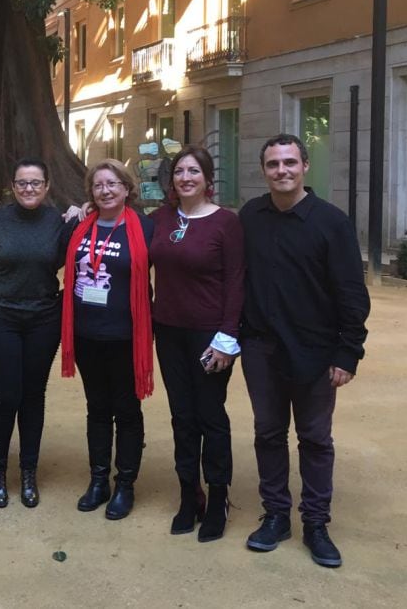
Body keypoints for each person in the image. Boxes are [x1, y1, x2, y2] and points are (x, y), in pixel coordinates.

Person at [239, 134, 370, 568]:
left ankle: (316, 523)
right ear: (264, 170)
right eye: (274, 164)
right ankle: (276, 514)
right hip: (261, 348)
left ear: (305, 166)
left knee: (315, 439)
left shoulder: (331, 223)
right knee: (269, 434)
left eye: (290, 163)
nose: (282, 171)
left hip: (316, 352)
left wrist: (348, 352)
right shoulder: (251, 217)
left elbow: (352, 293)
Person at [149, 145, 244, 542]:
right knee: (181, 416)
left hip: (210, 336)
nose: (185, 178)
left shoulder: (226, 223)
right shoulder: (160, 219)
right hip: (168, 332)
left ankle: (219, 495)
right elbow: (119, 227)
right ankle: (190, 495)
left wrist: (227, 340)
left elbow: (238, 282)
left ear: (207, 179)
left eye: (193, 172)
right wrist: (80, 214)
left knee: (210, 415)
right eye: (179, 172)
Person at [0, 159, 75, 509]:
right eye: (22, 183)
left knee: (33, 395)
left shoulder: (59, 222)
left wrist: (81, 212)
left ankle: (28, 472)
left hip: (43, 319)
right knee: (6, 396)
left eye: (36, 183)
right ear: (12, 186)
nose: (29, 189)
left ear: (47, 186)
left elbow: (79, 251)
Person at [61, 159, 154, 519]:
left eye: (113, 184)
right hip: (86, 334)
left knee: (127, 411)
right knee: (97, 409)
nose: (106, 190)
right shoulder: (79, 228)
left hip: (127, 336)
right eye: (99, 185)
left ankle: (125, 484)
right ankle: (98, 479)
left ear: (127, 188)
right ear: (91, 192)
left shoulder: (145, 228)